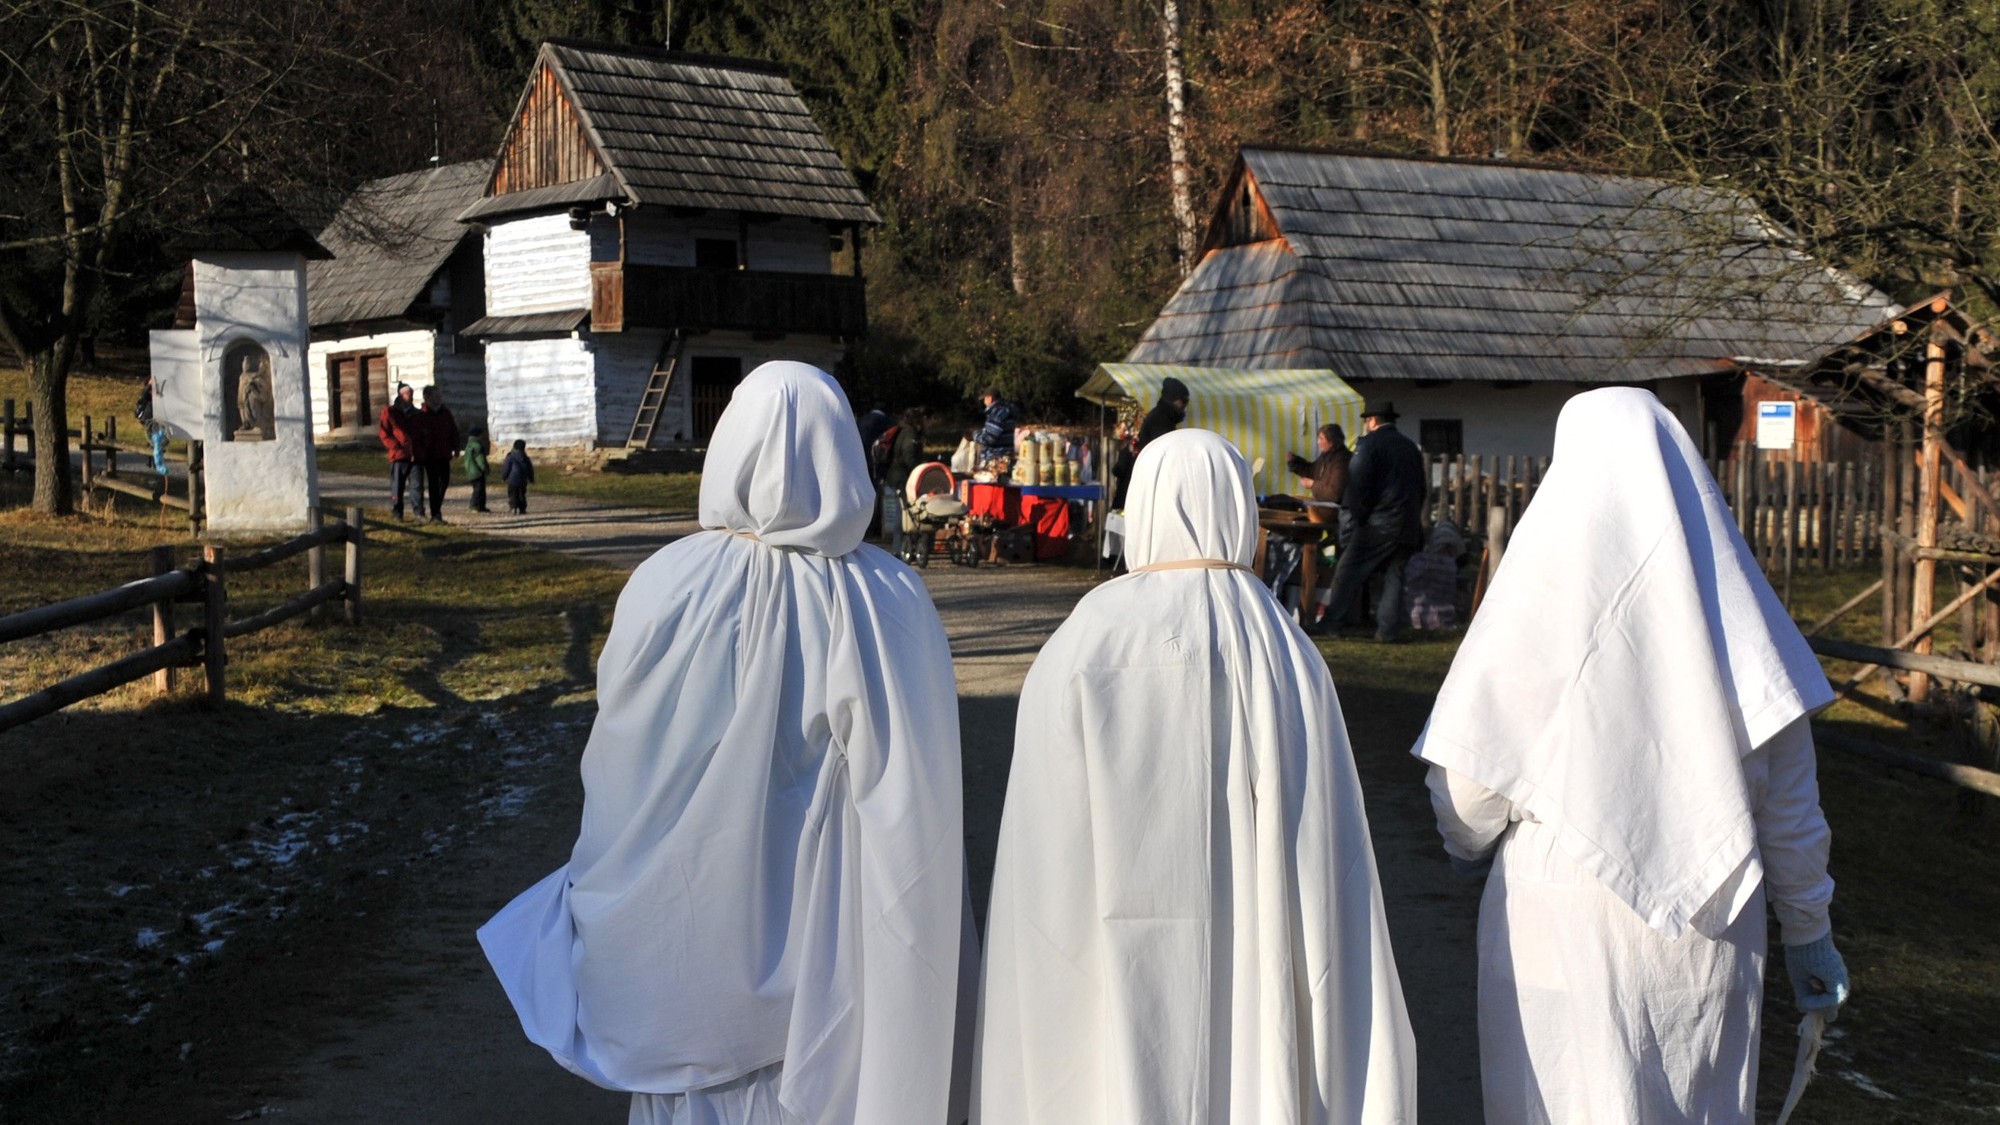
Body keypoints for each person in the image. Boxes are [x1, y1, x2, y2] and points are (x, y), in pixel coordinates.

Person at [479, 362, 972, 1125]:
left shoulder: (662, 583)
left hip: (680, 957)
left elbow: (621, 768)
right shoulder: (884, 597)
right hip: (828, 975)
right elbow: (916, 806)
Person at [1413, 388, 1848, 1124]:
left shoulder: (1535, 599)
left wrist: (1465, 844)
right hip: (1709, 933)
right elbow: (1791, 803)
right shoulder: (1736, 609)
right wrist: (1809, 930)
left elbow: (1470, 795)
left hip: (1559, 925)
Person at [974, 429, 1418, 1125]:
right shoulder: (1286, 646)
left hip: (1111, 975)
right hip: (1258, 966)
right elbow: (1327, 854)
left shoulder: (1089, 635)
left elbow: (1044, 842)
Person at [1317, 401, 1426, 640]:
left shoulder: (1369, 446)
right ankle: (1387, 630)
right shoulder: (1410, 447)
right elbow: (1422, 487)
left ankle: (1332, 623)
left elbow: (1358, 486)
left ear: (1372, 421)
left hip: (1379, 523)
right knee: (1394, 576)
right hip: (1406, 523)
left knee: (1347, 571)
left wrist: (1358, 518)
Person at [884, 407, 927, 561]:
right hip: (902, 477)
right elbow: (909, 456)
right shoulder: (910, 435)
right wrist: (921, 469)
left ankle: (900, 546)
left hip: (895, 476)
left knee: (902, 512)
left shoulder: (903, 431)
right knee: (902, 514)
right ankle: (899, 548)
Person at [1287, 422, 1351, 526]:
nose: (1318, 442)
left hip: (1337, 511)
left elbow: (1334, 494)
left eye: (1321, 439)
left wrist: (1313, 484)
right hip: (1326, 507)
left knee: (1300, 516)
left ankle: (1308, 541)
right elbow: (1312, 471)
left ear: (1331, 442)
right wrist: (1294, 462)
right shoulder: (1327, 456)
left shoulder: (1342, 461)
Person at [416, 385, 459, 523]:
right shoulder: (422, 415)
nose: (440, 398)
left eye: (440, 395)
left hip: (444, 453)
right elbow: (418, 436)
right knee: (434, 484)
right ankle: (436, 514)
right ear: (427, 398)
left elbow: (453, 430)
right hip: (430, 455)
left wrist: (456, 447)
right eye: (436, 395)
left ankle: (436, 509)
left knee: (444, 481)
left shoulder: (445, 413)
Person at [378, 382, 419, 520]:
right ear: (401, 396)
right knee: (397, 486)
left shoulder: (416, 413)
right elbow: (384, 433)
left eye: (411, 394)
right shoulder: (390, 412)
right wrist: (396, 446)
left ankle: (419, 511)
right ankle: (397, 512)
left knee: (416, 486)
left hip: (415, 454)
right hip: (399, 455)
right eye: (408, 394)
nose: (411, 397)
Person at [975, 388, 1020, 465]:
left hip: (995, 460)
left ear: (989, 399)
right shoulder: (1006, 412)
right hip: (1007, 457)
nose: (984, 402)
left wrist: (975, 435)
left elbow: (989, 439)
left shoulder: (996, 414)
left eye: (984, 399)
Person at [463, 423, 490, 514]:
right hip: (477, 471)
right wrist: (485, 469)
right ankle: (474, 505)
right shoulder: (477, 446)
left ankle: (480, 506)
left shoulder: (468, 445)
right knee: (479, 489)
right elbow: (480, 460)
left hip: (470, 470)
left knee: (478, 488)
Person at [502, 439, 534, 514]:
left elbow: (506, 467)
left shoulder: (510, 456)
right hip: (523, 480)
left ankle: (513, 507)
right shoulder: (526, 458)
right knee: (521, 494)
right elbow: (530, 469)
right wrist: (531, 478)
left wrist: (504, 476)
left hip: (512, 479)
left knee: (513, 494)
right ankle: (522, 508)